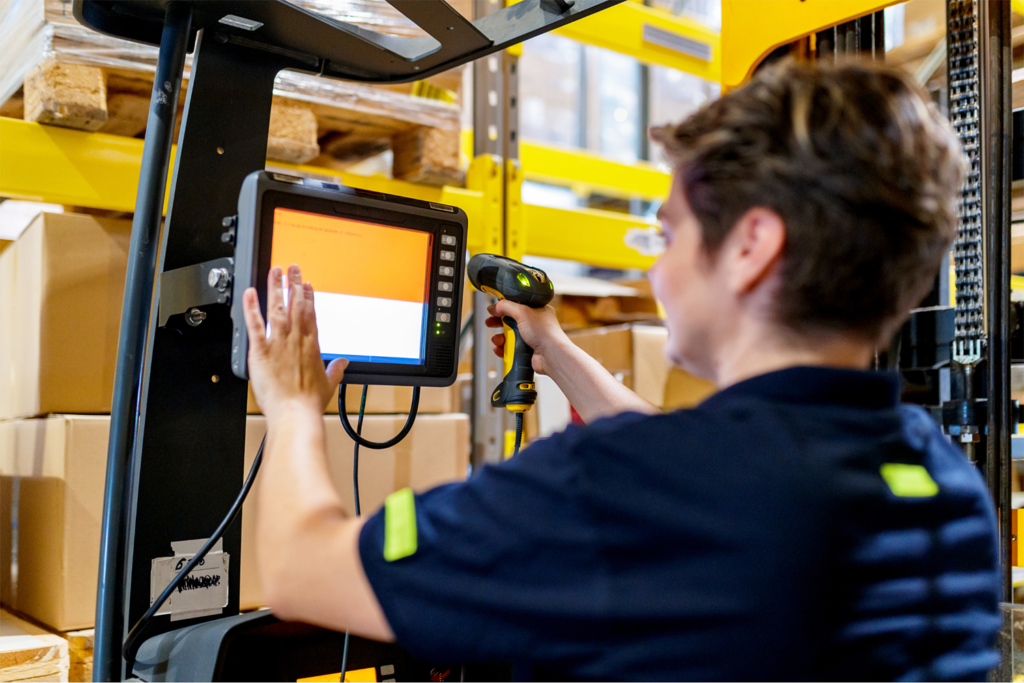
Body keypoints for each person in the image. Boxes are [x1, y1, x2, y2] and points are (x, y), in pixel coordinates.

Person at [242, 59, 1001, 680]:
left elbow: (303, 570)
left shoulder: (613, 487)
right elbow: (704, 472)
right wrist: (556, 349)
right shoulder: (947, 489)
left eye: (667, 235)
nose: (661, 274)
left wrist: (294, 404)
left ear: (751, 246)